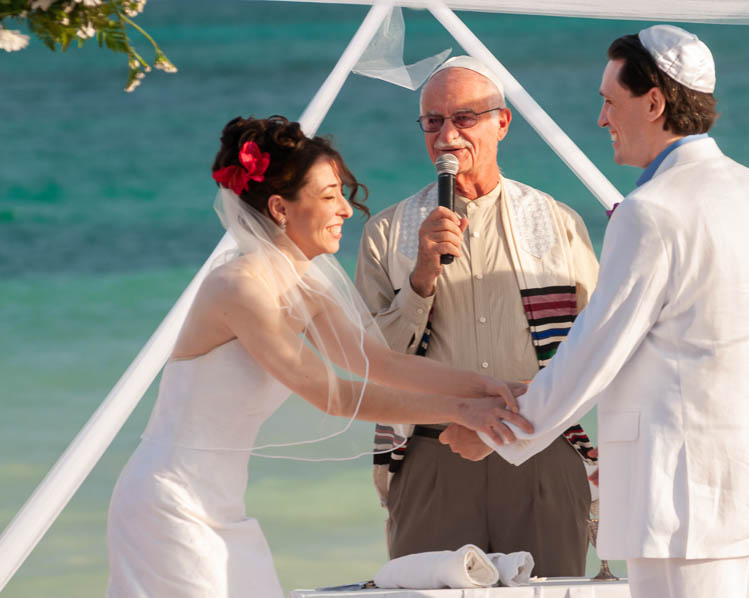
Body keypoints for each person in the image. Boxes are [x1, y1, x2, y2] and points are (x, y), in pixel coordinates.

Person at [105, 115, 532, 598]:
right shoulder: (239, 287)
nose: (347, 210)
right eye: (329, 196)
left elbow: (379, 363)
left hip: (224, 508)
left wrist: (491, 388)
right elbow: (333, 394)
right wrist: (462, 412)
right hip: (169, 506)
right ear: (280, 208)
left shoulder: (304, 282)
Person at [442, 25, 749, 598]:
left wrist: (497, 434)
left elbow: (594, 353)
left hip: (681, 500)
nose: (602, 119)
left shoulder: (651, 211)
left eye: (610, 102)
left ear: (654, 102)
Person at [354, 56, 600, 577]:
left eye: (464, 118)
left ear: (502, 123)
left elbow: (597, 350)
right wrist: (421, 277)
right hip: (433, 456)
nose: (447, 135)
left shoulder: (559, 223)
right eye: (433, 121)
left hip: (539, 450)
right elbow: (371, 365)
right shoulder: (386, 232)